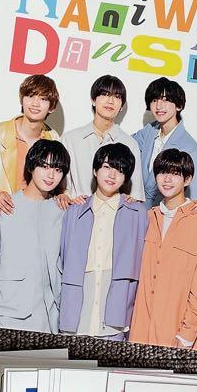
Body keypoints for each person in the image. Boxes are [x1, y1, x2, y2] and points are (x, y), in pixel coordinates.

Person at [0, 139, 68, 332]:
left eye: (58, 169)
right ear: (31, 166)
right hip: (4, 317)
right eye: (44, 166)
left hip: (49, 321)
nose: (51, 175)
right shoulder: (4, 207)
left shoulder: (62, 212)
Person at [0, 74, 61, 267]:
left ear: (52, 107)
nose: (35, 103)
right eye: (30, 96)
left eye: (43, 99)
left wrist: (63, 196)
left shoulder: (54, 140)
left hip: (33, 228)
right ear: (22, 99)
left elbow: (59, 180)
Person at [129, 149, 197, 349]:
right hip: (140, 329)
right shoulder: (148, 218)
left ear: (187, 179)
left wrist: (187, 334)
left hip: (176, 332)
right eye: (162, 172)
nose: (167, 179)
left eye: (175, 174)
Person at [58, 143, 147, 340]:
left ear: (126, 177)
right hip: (75, 313)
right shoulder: (74, 211)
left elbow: (142, 263)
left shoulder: (138, 213)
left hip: (116, 315)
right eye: (107, 167)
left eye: (120, 170)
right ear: (95, 170)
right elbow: (62, 259)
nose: (112, 175)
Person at [60, 75, 144, 200]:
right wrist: (67, 198)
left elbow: (135, 194)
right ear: (93, 100)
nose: (110, 101)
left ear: (122, 106)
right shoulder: (70, 139)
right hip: (77, 209)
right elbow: (62, 189)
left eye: (117, 96)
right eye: (105, 94)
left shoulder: (130, 144)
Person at [132, 78, 197, 208]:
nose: (159, 106)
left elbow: (195, 199)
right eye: (155, 100)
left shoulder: (190, 149)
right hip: (138, 211)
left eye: (165, 100)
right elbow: (124, 145)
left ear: (179, 106)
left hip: (167, 214)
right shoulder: (149, 132)